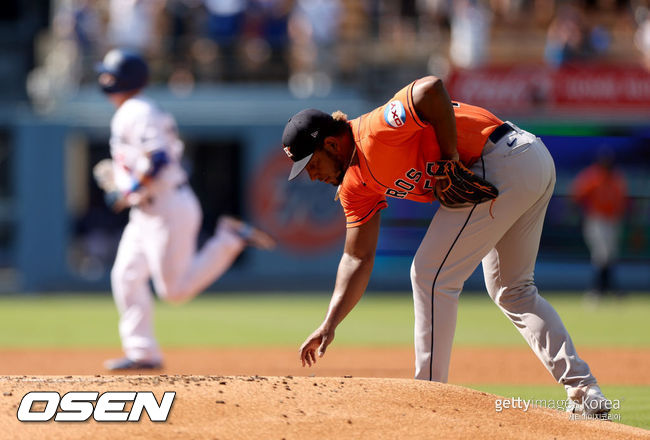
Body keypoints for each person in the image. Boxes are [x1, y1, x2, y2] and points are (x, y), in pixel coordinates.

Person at [283, 76, 611, 417]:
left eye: (311, 164)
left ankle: (429, 397)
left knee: (429, 275)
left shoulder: (377, 129)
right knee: (513, 290)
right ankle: (586, 393)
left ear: (333, 145)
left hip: (501, 159)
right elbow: (357, 256)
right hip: (529, 162)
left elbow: (430, 89)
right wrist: (330, 322)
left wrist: (450, 158)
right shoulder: (354, 185)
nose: (311, 176)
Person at [95, 48, 276, 370]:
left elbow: (159, 158)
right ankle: (143, 352)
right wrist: (129, 189)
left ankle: (229, 238)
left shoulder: (136, 111)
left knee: (174, 292)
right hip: (147, 212)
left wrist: (130, 189)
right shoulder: (133, 110)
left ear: (123, 79)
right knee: (125, 276)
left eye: (109, 73)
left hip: (167, 209)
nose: (103, 78)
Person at [571, 149, 627, 300]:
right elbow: (577, 196)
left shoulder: (616, 177)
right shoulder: (592, 176)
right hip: (597, 219)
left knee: (610, 256)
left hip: (613, 220)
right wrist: (584, 213)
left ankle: (605, 289)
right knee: (601, 255)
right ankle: (598, 290)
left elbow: (622, 200)